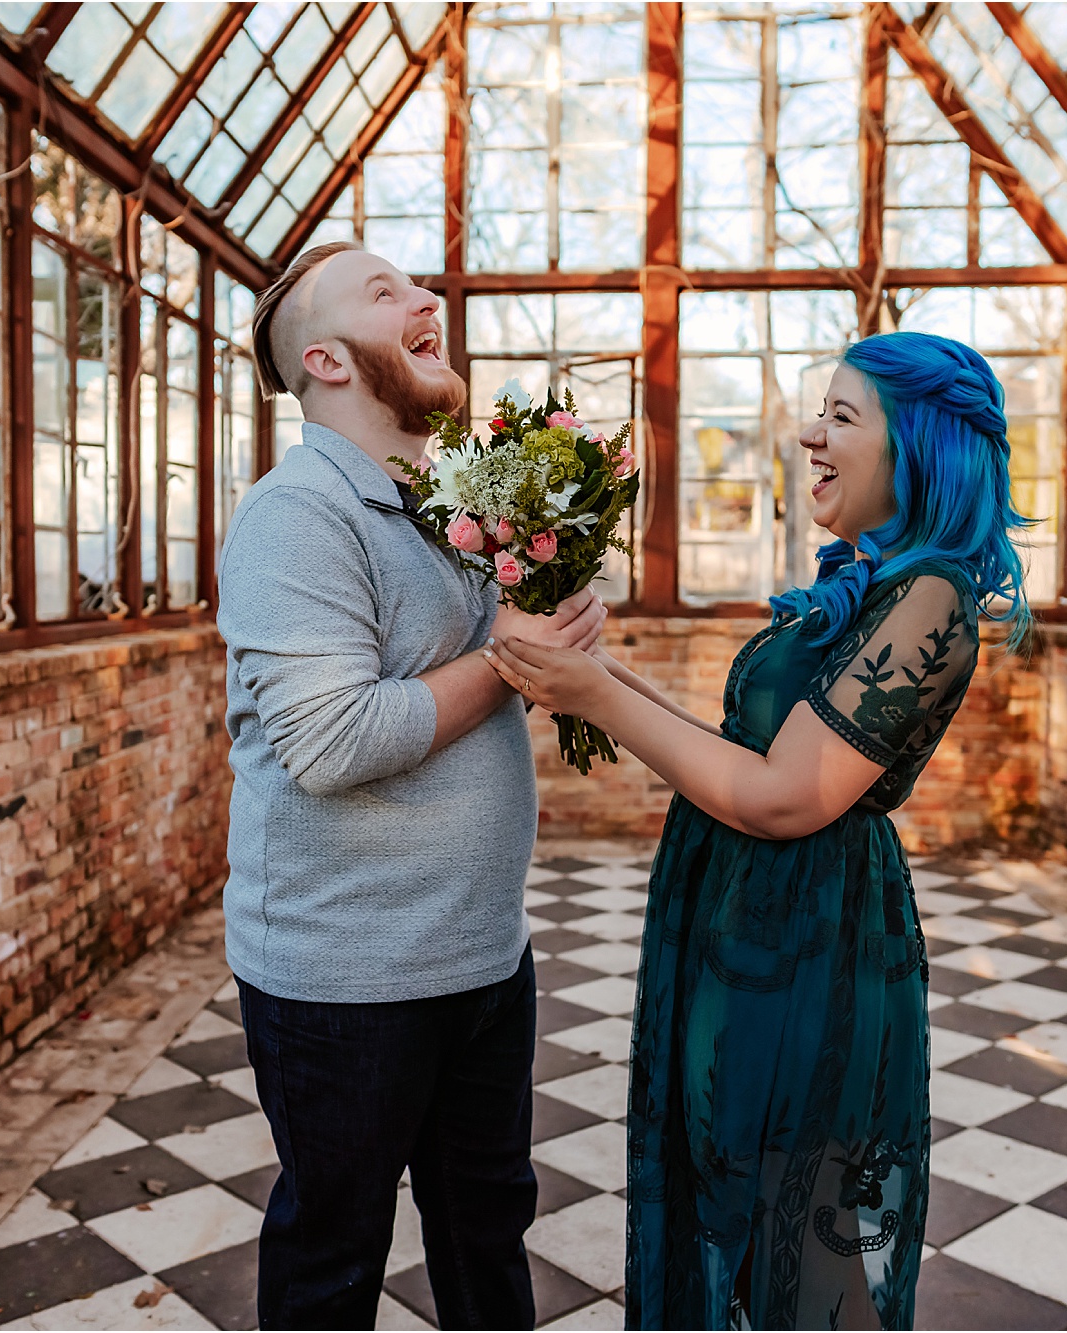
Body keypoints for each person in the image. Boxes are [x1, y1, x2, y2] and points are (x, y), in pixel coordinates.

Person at [485, 332, 1034, 1330]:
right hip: (743, 917)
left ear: (917, 443)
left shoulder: (935, 595)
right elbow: (743, 748)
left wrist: (596, 700)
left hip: (811, 945)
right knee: (721, 1178)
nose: (805, 435)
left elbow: (783, 794)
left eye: (840, 416)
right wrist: (590, 670)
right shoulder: (873, 580)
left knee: (795, 1229)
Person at [217, 241, 606, 1330]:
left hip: (481, 951)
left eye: (416, 284)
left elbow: (469, 688)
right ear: (328, 360)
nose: (425, 297)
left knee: (487, 1229)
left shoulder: (451, 506)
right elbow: (334, 739)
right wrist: (510, 656)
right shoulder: (299, 516)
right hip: (344, 976)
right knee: (334, 1255)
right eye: (384, 292)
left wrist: (556, 644)